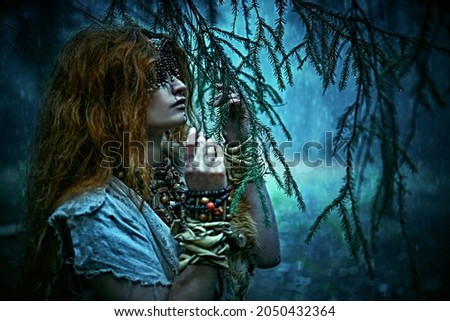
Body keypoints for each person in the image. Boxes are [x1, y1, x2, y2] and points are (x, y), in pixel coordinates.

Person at [21, 23, 280, 300]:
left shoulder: (184, 168)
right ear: (113, 97)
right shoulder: (93, 212)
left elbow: (267, 254)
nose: (180, 86)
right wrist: (207, 207)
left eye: (176, 74)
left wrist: (239, 147)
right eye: (158, 78)